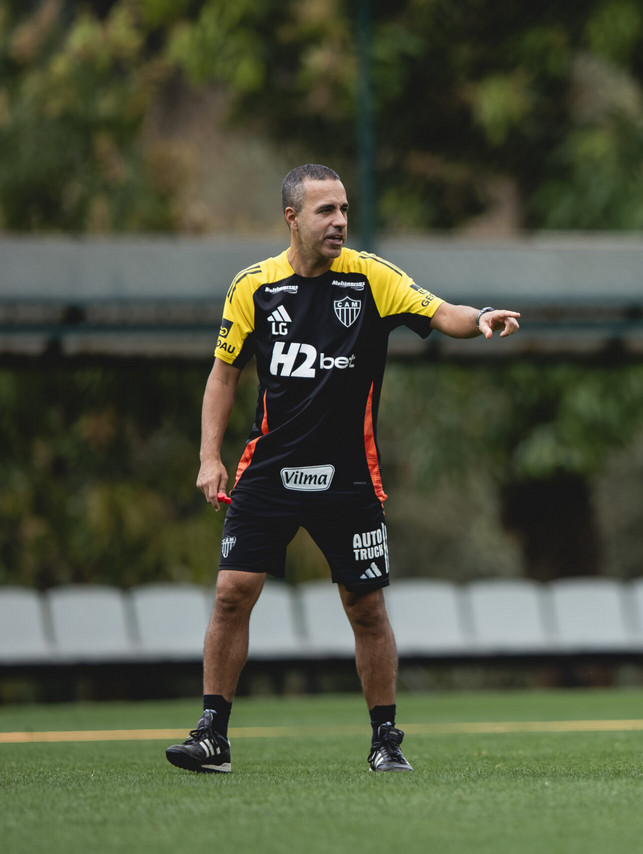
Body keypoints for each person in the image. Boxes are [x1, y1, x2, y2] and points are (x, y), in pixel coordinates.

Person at [165, 164, 520, 774]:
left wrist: (479, 318)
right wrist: (207, 456)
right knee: (232, 594)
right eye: (326, 211)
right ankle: (212, 736)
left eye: (344, 209)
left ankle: (386, 742)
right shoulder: (252, 286)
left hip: (349, 475)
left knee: (366, 608)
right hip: (268, 470)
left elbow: (439, 312)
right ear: (292, 218)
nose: (340, 222)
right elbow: (223, 374)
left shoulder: (371, 277)